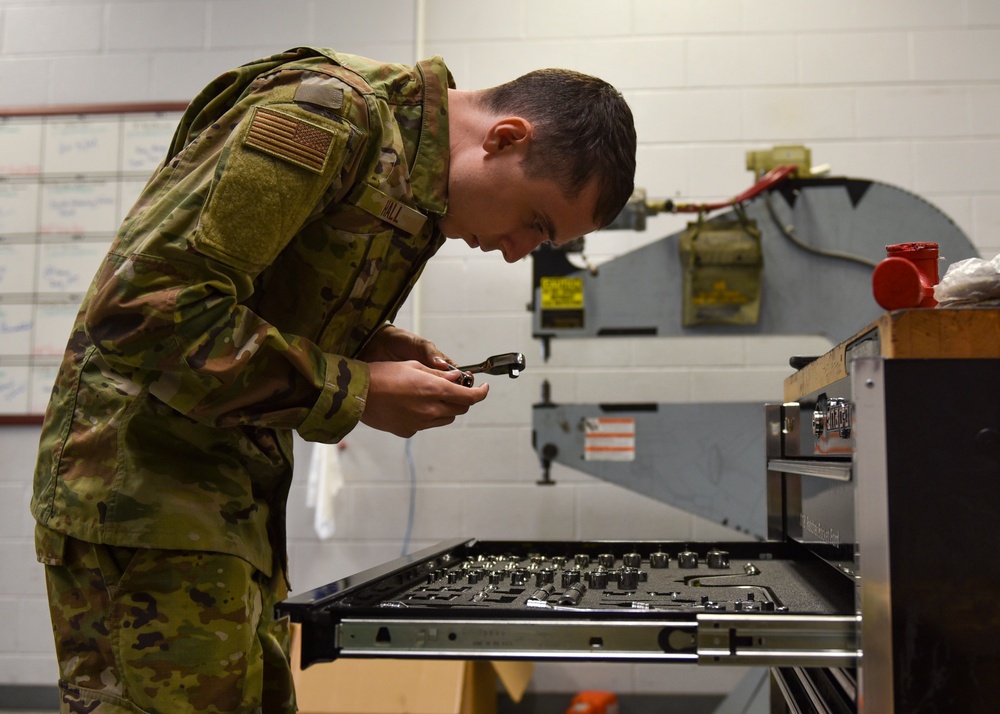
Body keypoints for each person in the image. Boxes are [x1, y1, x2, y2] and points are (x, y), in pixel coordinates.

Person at [31, 46, 636, 713]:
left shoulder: (408, 172)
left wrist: (371, 344)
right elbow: (142, 311)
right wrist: (360, 389)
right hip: (144, 501)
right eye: (535, 221)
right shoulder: (324, 120)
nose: (519, 250)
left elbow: (257, 305)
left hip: (223, 507)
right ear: (505, 138)